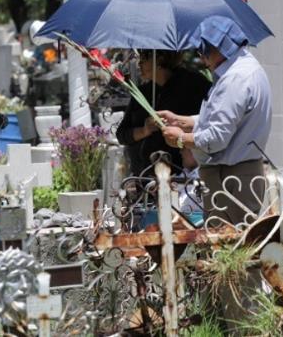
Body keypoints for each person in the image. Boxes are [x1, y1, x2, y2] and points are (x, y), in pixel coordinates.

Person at [159, 17, 272, 226]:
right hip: (237, 175)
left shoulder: (234, 79)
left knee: (227, 246)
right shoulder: (245, 68)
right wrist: (183, 121)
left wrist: (182, 140)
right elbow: (225, 120)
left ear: (215, 49)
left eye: (203, 51)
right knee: (231, 244)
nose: (202, 58)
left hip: (231, 179)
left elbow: (217, 137)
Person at [115, 49, 211, 176]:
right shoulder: (142, 93)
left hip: (182, 175)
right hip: (145, 176)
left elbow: (208, 122)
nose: (139, 64)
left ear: (159, 59)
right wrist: (144, 131)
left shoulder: (193, 85)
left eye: (144, 58)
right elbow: (122, 135)